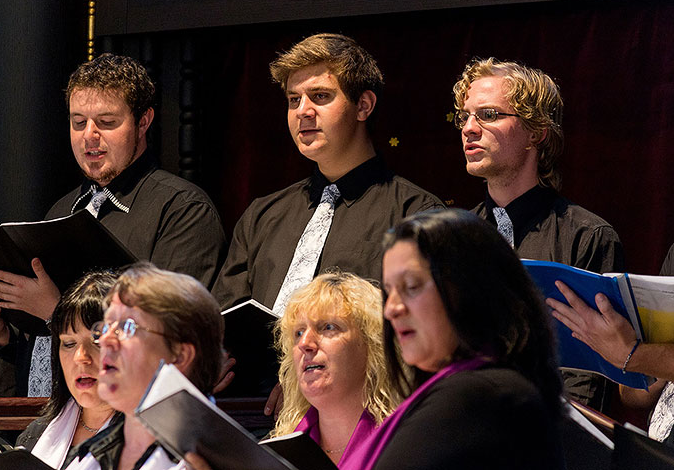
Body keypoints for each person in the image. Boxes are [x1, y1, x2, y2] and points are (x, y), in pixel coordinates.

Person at [185, 209, 564, 470]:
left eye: (411, 287)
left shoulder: (482, 392)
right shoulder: (464, 389)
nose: (393, 308)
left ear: (467, 290)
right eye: (390, 291)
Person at [0, 53, 227, 395]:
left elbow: (170, 336)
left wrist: (57, 311)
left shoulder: (181, 209)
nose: (89, 136)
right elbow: (39, 349)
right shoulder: (61, 209)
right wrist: (0, 333)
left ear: (144, 122)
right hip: (43, 413)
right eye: (78, 122)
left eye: (107, 122)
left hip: (121, 414)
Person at [212, 33, 444, 314]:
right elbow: (220, 325)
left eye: (320, 96)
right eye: (293, 99)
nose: (303, 111)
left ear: (363, 106)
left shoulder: (416, 214)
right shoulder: (261, 216)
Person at [453, 57, 625, 410]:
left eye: (488, 114)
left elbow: (591, 375)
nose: (469, 127)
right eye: (464, 116)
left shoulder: (587, 236)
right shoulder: (453, 238)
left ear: (536, 131)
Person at [66, 262, 223, 470]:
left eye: (126, 326)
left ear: (179, 355)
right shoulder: (87, 456)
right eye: (105, 326)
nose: (105, 340)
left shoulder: (223, 460)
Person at [546, 233, 674, 448]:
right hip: (661, 444)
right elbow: (631, 395)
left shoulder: (591, 234)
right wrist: (633, 357)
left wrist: (631, 355)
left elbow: (630, 357)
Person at [271, 271, 399, 466]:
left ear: (373, 345)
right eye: (298, 332)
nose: (305, 343)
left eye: (328, 327)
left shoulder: (405, 443)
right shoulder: (277, 455)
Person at [15, 270, 117, 469]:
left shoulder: (162, 444)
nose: (81, 357)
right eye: (69, 344)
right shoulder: (36, 435)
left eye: (97, 342)